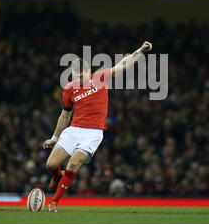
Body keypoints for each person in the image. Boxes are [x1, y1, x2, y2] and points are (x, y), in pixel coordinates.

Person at [42, 41, 153, 212]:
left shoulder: (100, 77)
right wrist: (54, 138)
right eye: (75, 77)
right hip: (74, 130)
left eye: (81, 76)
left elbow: (122, 66)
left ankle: (54, 202)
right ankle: (58, 175)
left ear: (88, 72)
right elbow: (65, 114)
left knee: (73, 164)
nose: (78, 80)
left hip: (93, 132)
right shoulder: (69, 89)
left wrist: (140, 51)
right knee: (50, 165)